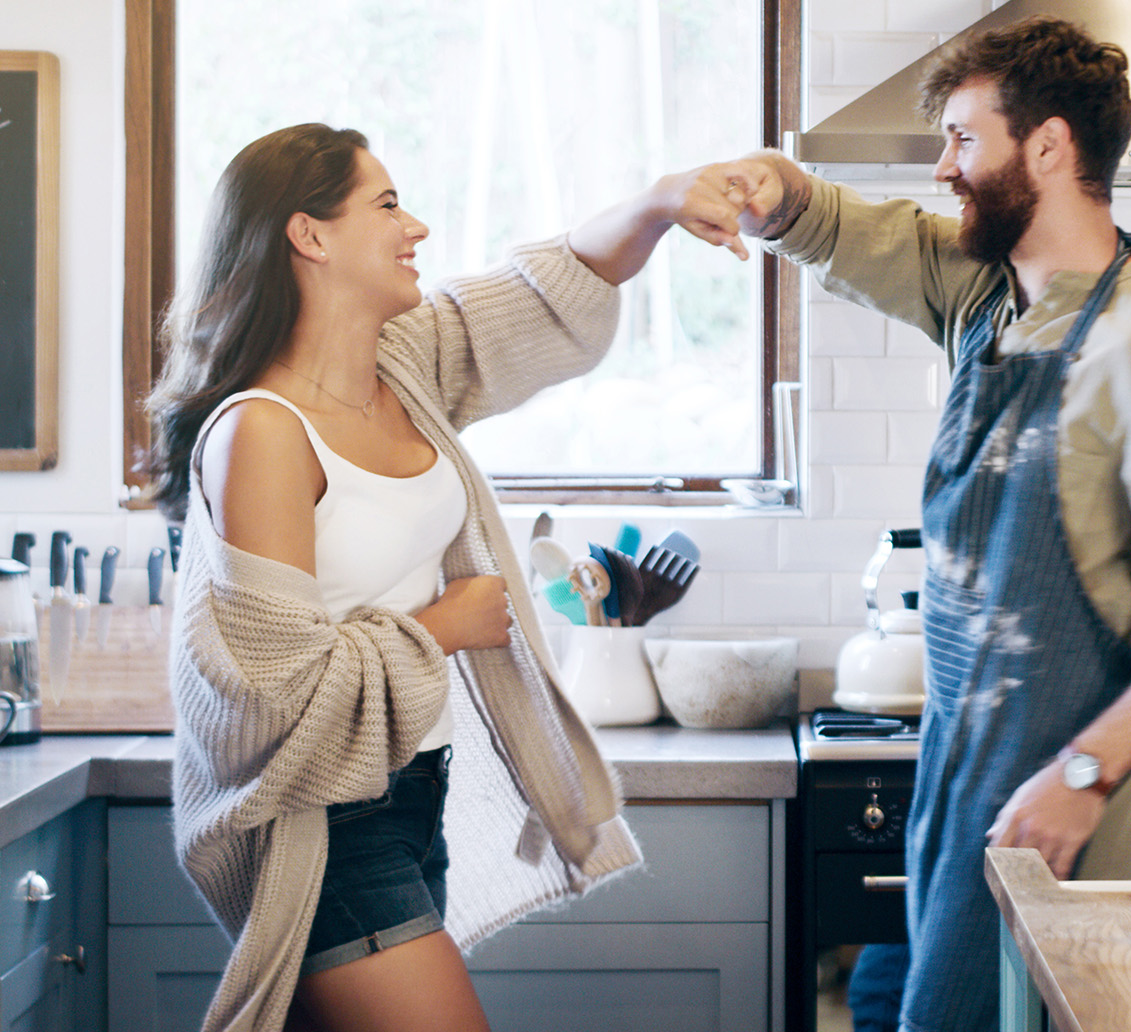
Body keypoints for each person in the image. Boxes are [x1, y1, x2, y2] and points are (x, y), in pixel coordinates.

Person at [708, 17, 1131, 1031]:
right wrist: (771, 189)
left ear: (1049, 147)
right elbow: (848, 232)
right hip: (964, 793)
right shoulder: (990, 296)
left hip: (1076, 830)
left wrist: (1079, 776)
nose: (943, 168)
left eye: (964, 140)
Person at [142, 123, 751, 1032]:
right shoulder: (261, 432)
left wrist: (662, 202)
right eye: (386, 205)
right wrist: (444, 626)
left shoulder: (399, 365)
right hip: (331, 831)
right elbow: (272, 695)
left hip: (411, 796)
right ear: (308, 235)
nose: (415, 225)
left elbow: (544, 292)